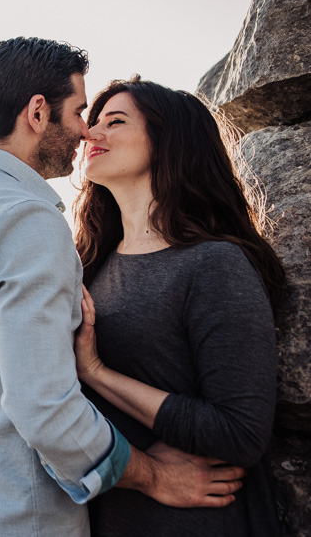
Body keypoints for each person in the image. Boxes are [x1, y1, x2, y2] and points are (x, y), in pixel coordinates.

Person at [0, 37, 245, 536]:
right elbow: (42, 406)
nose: (85, 129)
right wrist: (155, 475)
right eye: (79, 111)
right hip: (22, 516)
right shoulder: (26, 220)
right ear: (37, 112)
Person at [73, 77, 286, 536]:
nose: (91, 134)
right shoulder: (88, 266)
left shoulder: (214, 264)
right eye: (92, 122)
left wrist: (97, 373)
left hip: (196, 521)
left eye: (115, 121)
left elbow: (240, 433)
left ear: (168, 139)